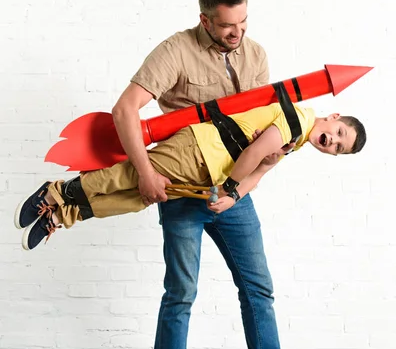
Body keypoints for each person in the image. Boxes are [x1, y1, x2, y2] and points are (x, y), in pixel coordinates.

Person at [25, 0, 350, 349]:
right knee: (181, 291)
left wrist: (249, 179)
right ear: (205, 20)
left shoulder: (254, 54)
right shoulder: (175, 50)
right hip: (183, 169)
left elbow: (262, 132)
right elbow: (126, 110)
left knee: (258, 288)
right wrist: (145, 170)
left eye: (243, 22)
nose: (237, 33)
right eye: (227, 26)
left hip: (230, 191)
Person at [15, 103, 366, 249]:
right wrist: (228, 186)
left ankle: (64, 213)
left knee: (140, 199)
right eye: (338, 134)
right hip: (198, 150)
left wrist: (234, 196)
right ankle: (56, 193)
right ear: (333, 117)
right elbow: (255, 153)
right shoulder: (299, 119)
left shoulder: (298, 142)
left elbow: (260, 170)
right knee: (127, 176)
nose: (332, 141)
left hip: (205, 174)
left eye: (338, 148)